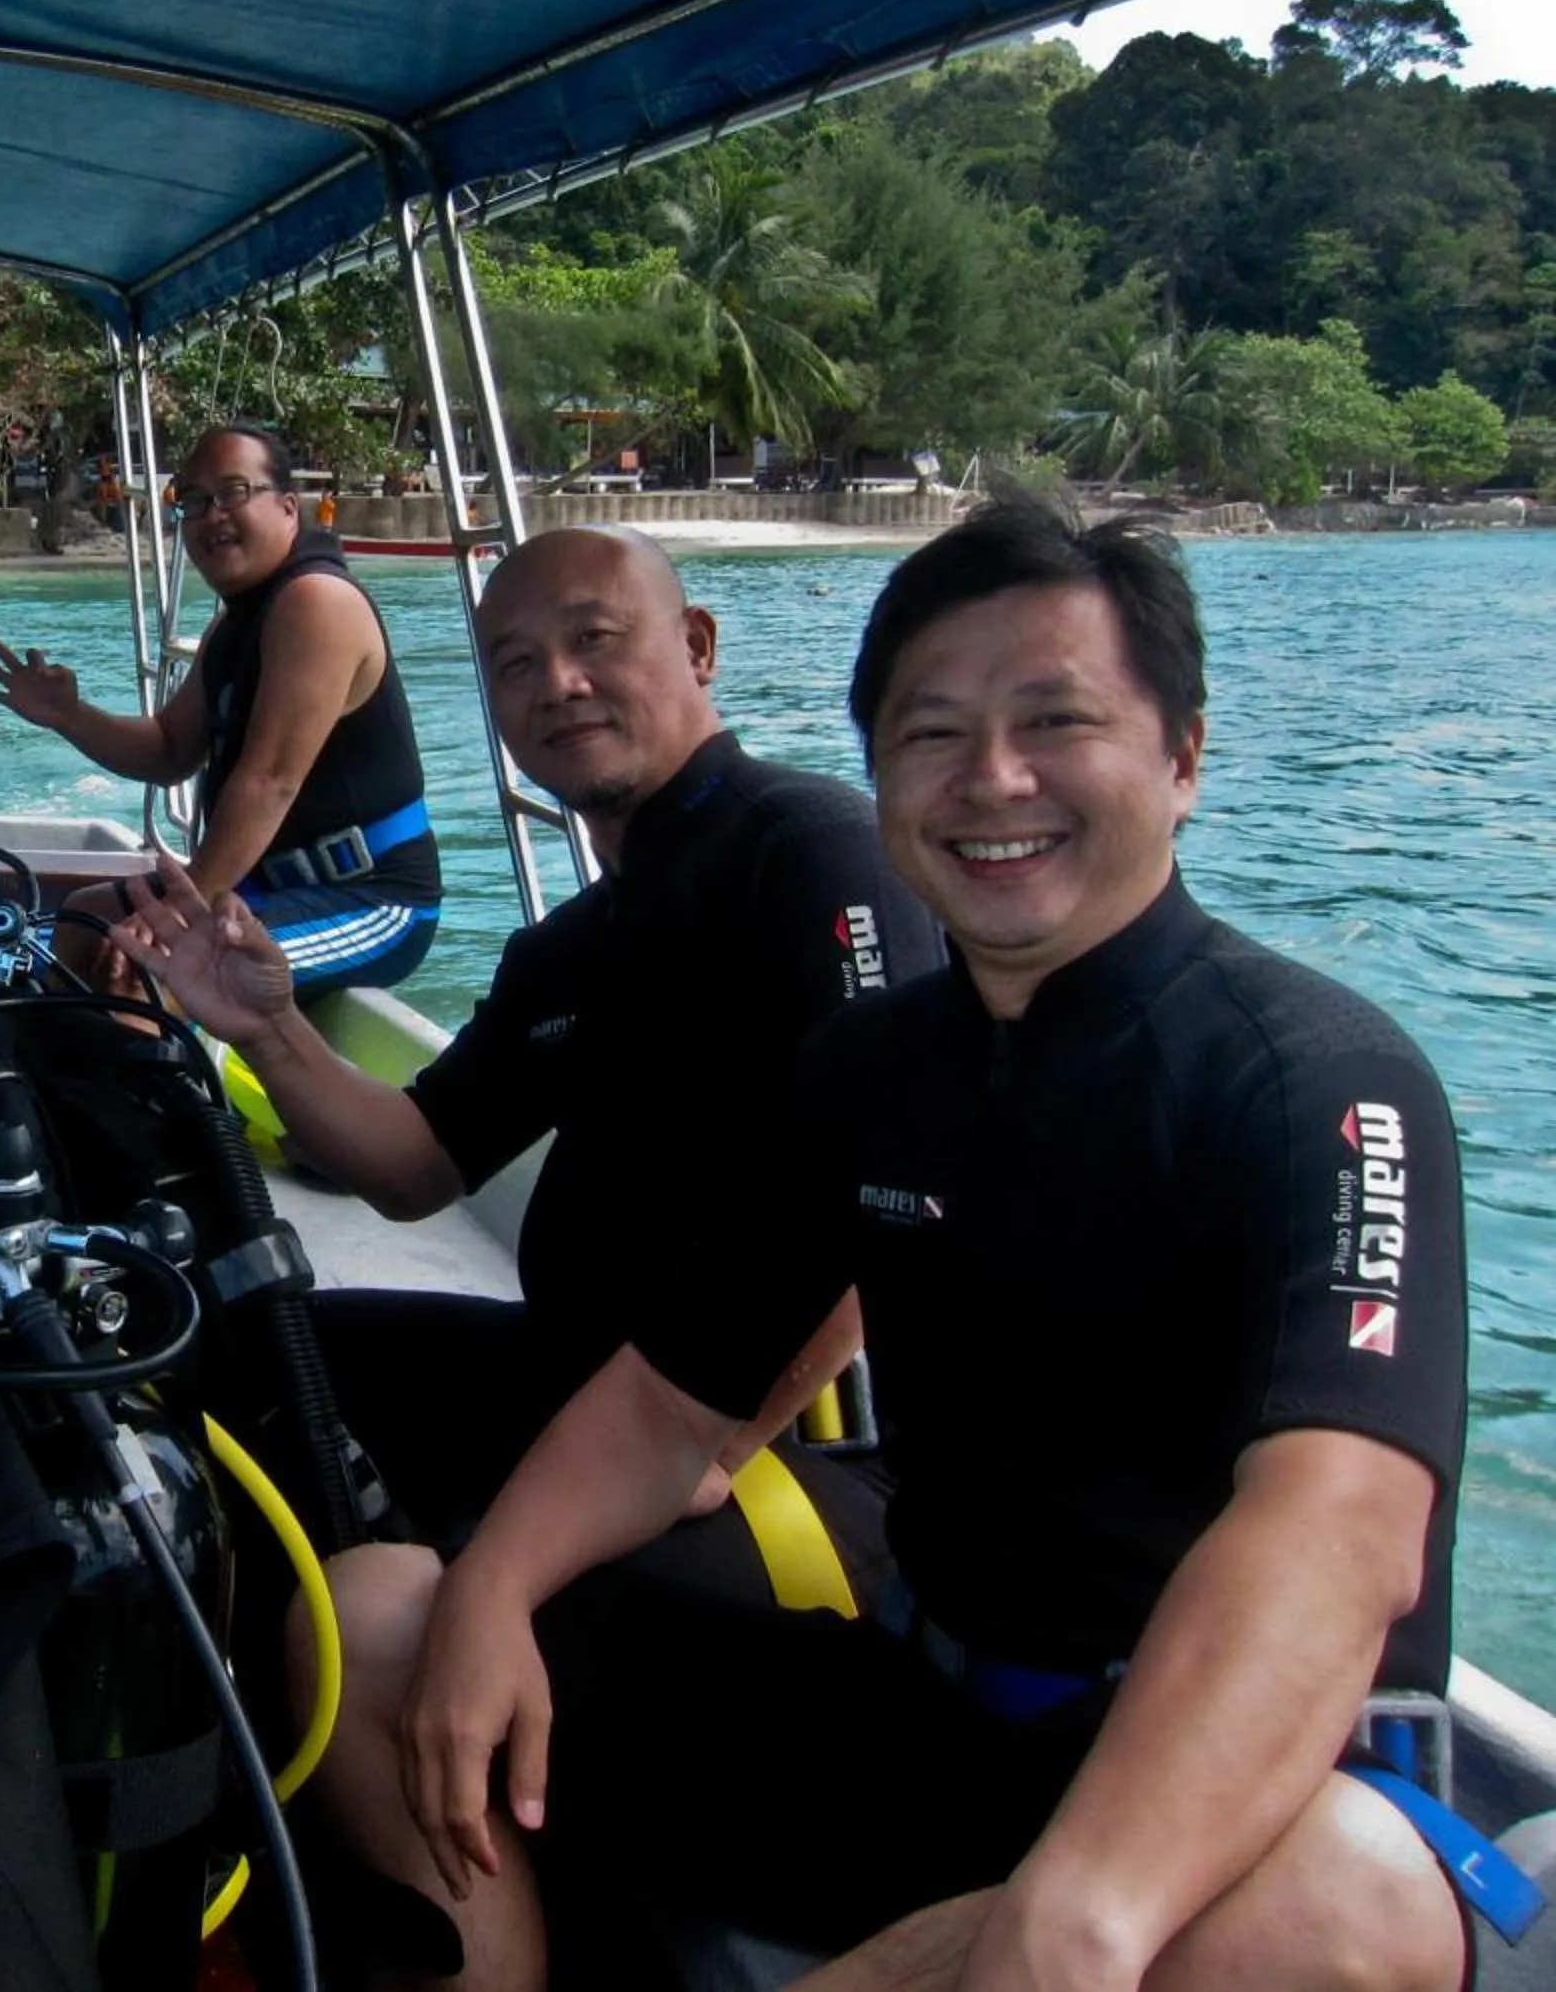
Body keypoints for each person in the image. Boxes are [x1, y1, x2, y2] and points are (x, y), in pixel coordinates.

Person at [331, 504, 1471, 1992]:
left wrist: (1074, 1914)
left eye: (1055, 719)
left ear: (1183, 757)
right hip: (925, 1711)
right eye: (933, 736)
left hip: (1210, 1787)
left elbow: (1340, 1533)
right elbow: (679, 1399)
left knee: (1351, 1895)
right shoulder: (876, 1069)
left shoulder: (1319, 1079)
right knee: (375, 1621)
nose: (993, 779)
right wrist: (488, 1592)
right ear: (882, 781)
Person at [104, 522, 937, 1561]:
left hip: (757, 1449)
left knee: (416, 1587)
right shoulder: (575, 944)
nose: (559, 683)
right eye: (515, 664)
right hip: (572, 1377)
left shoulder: (813, 854)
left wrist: (714, 1451)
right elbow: (413, 1167)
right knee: (221, 1353)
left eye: (595, 640)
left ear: (698, 646)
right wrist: (265, 1025)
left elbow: (890, 1195)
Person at [0, 423, 442, 994]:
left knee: (159, 965)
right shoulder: (237, 622)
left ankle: (143, 1080)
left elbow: (269, 782)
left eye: (233, 492)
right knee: (83, 918)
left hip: (374, 898)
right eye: (193, 501)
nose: (211, 514)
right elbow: (170, 749)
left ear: (290, 507)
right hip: (262, 887)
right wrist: (70, 716)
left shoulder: (317, 602)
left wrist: (183, 912)